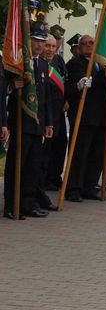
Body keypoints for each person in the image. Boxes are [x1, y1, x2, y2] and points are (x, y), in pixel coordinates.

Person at [3, 24, 54, 219]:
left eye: (43, 41)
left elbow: (46, 97)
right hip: (21, 122)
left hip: (38, 124)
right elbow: (4, 89)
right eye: (36, 40)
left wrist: (48, 123)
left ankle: (28, 203)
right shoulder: (17, 63)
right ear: (27, 40)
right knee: (17, 165)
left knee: (33, 166)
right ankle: (11, 205)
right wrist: (11, 86)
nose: (40, 45)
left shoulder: (42, 64)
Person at [64, 34, 106, 202]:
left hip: (100, 116)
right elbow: (85, 83)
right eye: (85, 44)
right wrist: (103, 75)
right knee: (79, 154)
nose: (89, 46)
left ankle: (89, 186)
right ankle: (73, 188)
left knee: (96, 154)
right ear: (79, 47)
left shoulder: (100, 64)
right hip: (83, 117)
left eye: (92, 43)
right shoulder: (75, 63)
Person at [42, 35, 68, 191]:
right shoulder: (37, 63)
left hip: (58, 110)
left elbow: (64, 80)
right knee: (46, 149)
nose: (51, 50)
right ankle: (43, 179)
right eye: (47, 46)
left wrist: (67, 99)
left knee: (59, 145)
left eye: (53, 46)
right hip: (45, 110)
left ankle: (54, 176)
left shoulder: (58, 60)